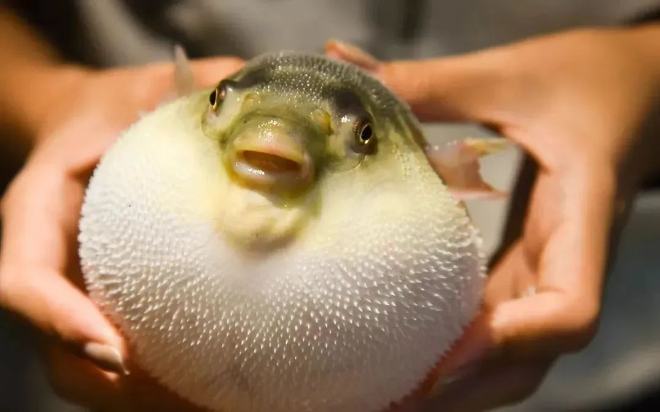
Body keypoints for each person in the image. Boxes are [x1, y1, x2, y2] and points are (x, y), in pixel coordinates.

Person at [0, 2, 658, 411]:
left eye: (361, 138)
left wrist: (640, 77)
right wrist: (48, 98)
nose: (276, 142)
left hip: (607, 363)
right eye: (223, 105)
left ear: (450, 173)